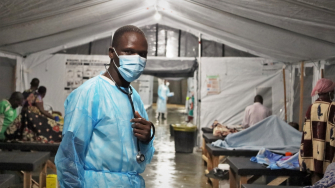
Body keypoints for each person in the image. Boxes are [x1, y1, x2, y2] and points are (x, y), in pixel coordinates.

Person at [55, 25, 155, 188]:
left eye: (142, 54)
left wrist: (147, 138)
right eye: (129, 52)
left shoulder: (133, 96)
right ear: (111, 52)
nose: (136, 59)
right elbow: (69, 158)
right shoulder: (88, 94)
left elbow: (144, 156)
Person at [299, 78, 335, 184]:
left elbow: (305, 134)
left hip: (313, 157)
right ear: (330, 92)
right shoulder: (333, 108)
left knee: (316, 182)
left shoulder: (311, 108)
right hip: (329, 155)